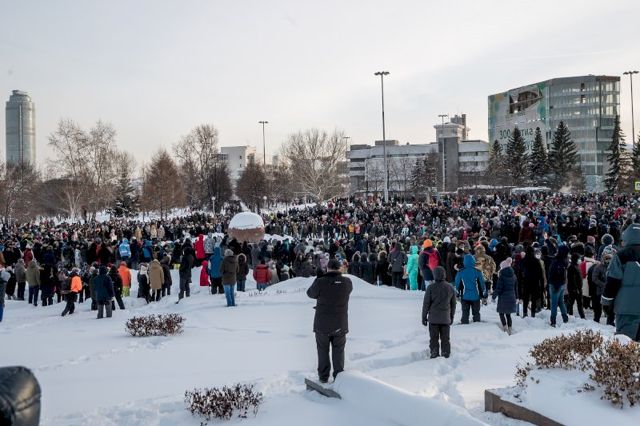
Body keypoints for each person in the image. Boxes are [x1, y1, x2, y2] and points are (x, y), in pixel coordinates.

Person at [306, 259, 353, 383]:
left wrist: (318, 279)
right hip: (340, 323)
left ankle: (323, 377)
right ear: (339, 268)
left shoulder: (321, 282)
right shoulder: (347, 282)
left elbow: (310, 293)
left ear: (327, 268)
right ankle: (339, 377)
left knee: (323, 351)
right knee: (339, 351)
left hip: (322, 324)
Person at [602, 223, 640, 341]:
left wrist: (606, 302)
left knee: (626, 343)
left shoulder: (621, 256)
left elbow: (612, 281)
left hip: (626, 307)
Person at [422, 266, 456, 358]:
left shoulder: (430, 287)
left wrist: (424, 317)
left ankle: (434, 352)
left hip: (433, 319)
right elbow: (453, 304)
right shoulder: (450, 287)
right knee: (445, 338)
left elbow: (426, 304)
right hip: (445, 318)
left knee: (434, 338)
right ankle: (445, 353)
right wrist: (451, 316)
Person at [454, 254, 487, 324]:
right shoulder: (478, 272)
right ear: (473, 261)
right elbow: (482, 284)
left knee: (465, 312)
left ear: (464, 262)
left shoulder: (460, 272)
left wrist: (457, 294)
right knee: (476, 312)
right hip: (476, 296)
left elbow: (457, 284)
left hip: (464, 296)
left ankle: (464, 323)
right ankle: (477, 323)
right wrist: (484, 294)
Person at [492, 258, 518, 335]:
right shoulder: (514, 276)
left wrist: (494, 296)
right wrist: (517, 297)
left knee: (501, 313)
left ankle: (505, 327)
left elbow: (499, 289)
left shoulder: (502, 276)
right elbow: (516, 288)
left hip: (503, 298)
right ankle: (510, 328)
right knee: (508, 314)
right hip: (512, 296)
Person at [548, 245, 570, 327]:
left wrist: (555, 284)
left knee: (554, 303)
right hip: (562, 284)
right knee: (561, 302)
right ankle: (565, 318)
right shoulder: (565, 260)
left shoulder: (557, 261)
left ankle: (553, 321)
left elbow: (553, 274)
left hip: (555, 285)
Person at [566, 253, 585, 319]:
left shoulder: (577, 266)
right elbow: (572, 280)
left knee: (579, 303)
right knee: (571, 303)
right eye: (578, 258)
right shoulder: (571, 267)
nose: (579, 260)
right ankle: (567, 315)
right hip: (574, 289)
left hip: (578, 288)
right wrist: (575, 289)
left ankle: (581, 317)